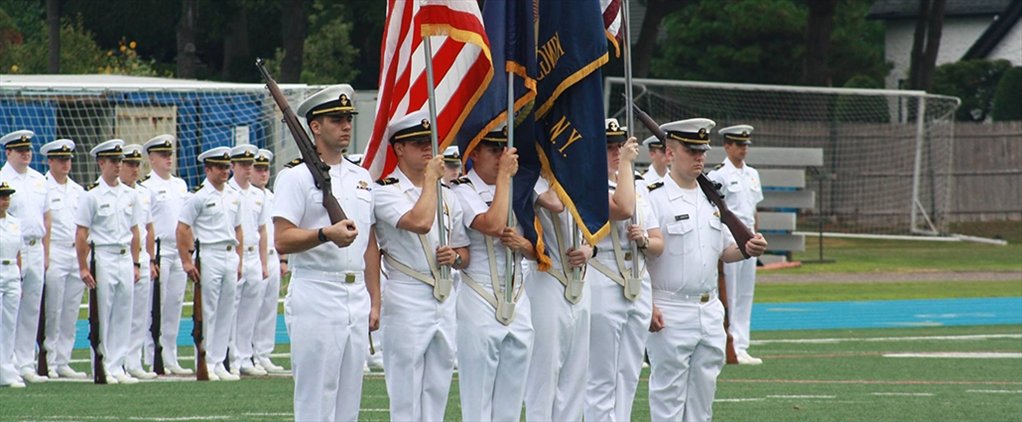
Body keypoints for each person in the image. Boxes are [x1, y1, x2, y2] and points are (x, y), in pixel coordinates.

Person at [644, 118, 768, 421]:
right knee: (668, 398)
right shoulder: (652, 195)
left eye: (702, 150)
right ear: (670, 153)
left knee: (703, 400)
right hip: (670, 308)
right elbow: (638, 259)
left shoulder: (710, 197)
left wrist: (747, 249)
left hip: (709, 309)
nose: (700, 157)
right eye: (691, 150)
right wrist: (646, 304)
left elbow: (724, 250)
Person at [272, 84, 380, 421]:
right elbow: (282, 239)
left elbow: (370, 245)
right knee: (316, 399)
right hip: (317, 291)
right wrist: (324, 234)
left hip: (356, 295)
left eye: (348, 118)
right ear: (315, 126)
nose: (346, 125)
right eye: (336, 119)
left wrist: (375, 300)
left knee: (349, 401)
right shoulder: (295, 177)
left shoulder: (362, 178)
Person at [373, 111, 470, 421]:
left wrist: (454, 258)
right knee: (405, 390)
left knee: (438, 386)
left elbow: (464, 252)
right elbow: (419, 221)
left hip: (443, 294)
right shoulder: (386, 191)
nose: (428, 149)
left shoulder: (447, 196)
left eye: (430, 142)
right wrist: (431, 179)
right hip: (406, 293)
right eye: (418, 143)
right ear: (399, 148)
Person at [450, 127, 535, 422]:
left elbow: (539, 244)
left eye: (504, 149)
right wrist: (504, 179)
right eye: (493, 150)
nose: (501, 156)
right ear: (474, 152)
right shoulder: (462, 189)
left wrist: (526, 245)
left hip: (517, 292)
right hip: (479, 292)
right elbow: (494, 224)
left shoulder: (519, 187)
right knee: (479, 398)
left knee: (512, 400)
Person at [585, 118, 663, 422]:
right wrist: (628, 166)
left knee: (629, 373)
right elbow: (622, 208)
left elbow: (658, 242)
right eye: (608, 147)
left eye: (619, 145)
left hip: (637, 282)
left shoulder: (640, 186)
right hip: (604, 276)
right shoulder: (587, 184)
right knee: (601, 375)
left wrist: (644, 239)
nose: (617, 152)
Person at [524, 175, 594, 421]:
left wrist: (591, 247)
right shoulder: (531, 174)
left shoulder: (576, 171)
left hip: (581, 280)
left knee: (575, 377)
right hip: (548, 276)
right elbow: (556, 203)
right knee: (544, 375)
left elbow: (596, 218)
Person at [74, 139, 142, 385]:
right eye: (113, 161)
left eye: (120, 161)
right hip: (102, 255)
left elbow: (136, 232)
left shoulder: (130, 194)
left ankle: (118, 365)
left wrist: (136, 263)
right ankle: (101, 364)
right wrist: (83, 266)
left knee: (124, 312)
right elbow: (81, 234)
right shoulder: (91, 195)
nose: (118, 165)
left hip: (124, 256)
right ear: (101, 163)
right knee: (103, 312)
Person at [176, 146, 243, 382]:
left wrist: (239, 259)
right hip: (209, 254)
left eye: (227, 167)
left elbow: (238, 229)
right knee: (209, 311)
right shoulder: (199, 196)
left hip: (229, 253)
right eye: (220, 167)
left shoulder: (234, 196)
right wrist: (186, 260)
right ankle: (205, 361)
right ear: (208, 169)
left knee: (227, 311)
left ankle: (218, 361)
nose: (225, 171)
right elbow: (182, 228)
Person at [707, 124, 765, 365]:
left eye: (746, 145)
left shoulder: (752, 174)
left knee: (744, 294)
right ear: (727, 146)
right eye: (739, 144)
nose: (743, 149)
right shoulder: (718, 174)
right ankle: (727, 343)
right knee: (728, 294)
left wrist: (756, 234)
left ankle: (741, 344)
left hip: (748, 239)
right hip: (729, 240)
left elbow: (753, 209)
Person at [0, 130, 51, 384]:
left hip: (36, 246)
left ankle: (25, 363)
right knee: (9, 310)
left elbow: (47, 216)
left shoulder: (39, 179)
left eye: (28, 149)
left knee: (31, 308)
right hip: (11, 251)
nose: (26, 153)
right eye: (20, 150)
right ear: (8, 152)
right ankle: (6, 364)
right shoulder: (2, 179)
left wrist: (47, 251)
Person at [141, 134, 193, 376]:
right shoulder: (146, 187)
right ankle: (153, 356)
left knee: (174, 305)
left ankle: (170, 356)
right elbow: (146, 226)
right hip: (159, 250)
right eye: (163, 155)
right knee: (156, 306)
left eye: (170, 154)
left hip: (178, 250)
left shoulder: (180, 185)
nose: (168, 159)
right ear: (151, 159)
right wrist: (150, 257)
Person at [39, 139, 88, 380]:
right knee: (53, 308)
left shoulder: (79, 190)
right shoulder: (43, 187)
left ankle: (63, 360)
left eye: (68, 159)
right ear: (50, 161)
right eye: (61, 160)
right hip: (55, 251)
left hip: (75, 253)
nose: (66, 164)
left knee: (71, 309)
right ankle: (46, 360)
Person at [226, 144, 270, 376]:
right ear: (233, 166)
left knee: (250, 311)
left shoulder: (258, 195)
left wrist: (263, 263)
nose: (247, 169)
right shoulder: (227, 191)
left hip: (254, 255)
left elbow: (263, 231)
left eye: (249, 165)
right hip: (234, 255)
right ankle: (231, 358)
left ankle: (244, 357)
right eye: (242, 165)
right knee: (231, 310)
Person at [120, 144, 158, 380]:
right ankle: (116, 360)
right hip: (121, 255)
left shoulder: (143, 193)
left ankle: (133, 361)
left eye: (137, 164)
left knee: (140, 314)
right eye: (129, 164)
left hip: (142, 256)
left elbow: (149, 228)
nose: (134, 169)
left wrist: (151, 259)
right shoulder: (116, 192)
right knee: (120, 311)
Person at [250, 148, 286, 373]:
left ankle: (263, 353)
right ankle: (248, 353)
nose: (263, 174)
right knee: (251, 309)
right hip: (254, 257)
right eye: (259, 169)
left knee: (268, 309)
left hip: (273, 256)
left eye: (266, 169)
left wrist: (283, 260)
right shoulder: (247, 196)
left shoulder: (272, 197)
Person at [0, 181, 26, 388]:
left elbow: (19, 253)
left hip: (11, 273)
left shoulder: (15, 223)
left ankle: (8, 368)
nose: (4, 200)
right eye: (1, 196)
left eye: (7, 196)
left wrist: (19, 277)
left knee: (10, 323)